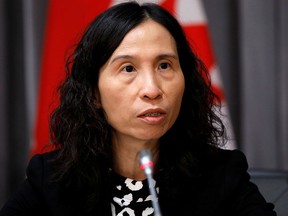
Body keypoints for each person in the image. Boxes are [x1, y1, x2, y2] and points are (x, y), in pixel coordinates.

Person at [0, 1, 277, 216]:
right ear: (93, 93)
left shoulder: (221, 175)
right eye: (128, 68)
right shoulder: (51, 180)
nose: (152, 89)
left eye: (165, 65)